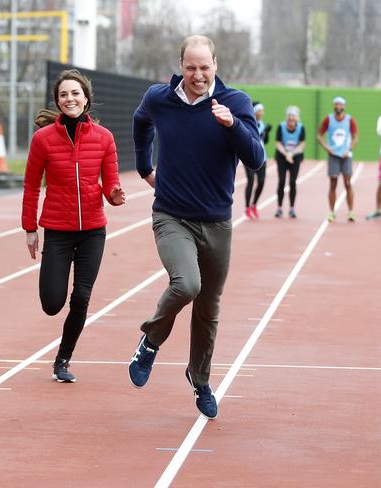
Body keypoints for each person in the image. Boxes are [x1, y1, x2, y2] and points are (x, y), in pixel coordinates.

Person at [128, 35, 264, 419]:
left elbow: (255, 158)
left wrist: (232, 125)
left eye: (205, 67)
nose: (198, 75)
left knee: (208, 305)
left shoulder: (234, 102)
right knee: (187, 284)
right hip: (171, 215)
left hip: (217, 222)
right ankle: (150, 341)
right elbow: (141, 122)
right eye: (191, 67)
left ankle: (199, 378)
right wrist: (144, 166)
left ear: (216, 65)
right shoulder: (161, 98)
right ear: (181, 66)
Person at [21, 69, 126, 383]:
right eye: (64, 94)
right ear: (58, 100)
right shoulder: (42, 140)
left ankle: (62, 359)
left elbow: (111, 184)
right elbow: (30, 186)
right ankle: (60, 340)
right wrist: (30, 228)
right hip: (57, 229)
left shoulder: (104, 138)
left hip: (93, 229)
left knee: (81, 297)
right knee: (53, 303)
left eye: (75, 93)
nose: (70, 98)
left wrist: (116, 195)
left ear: (86, 99)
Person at [317, 96, 359, 222]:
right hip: (333, 155)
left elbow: (356, 136)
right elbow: (319, 135)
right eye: (336, 104)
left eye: (340, 105)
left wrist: (349, 148)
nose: (338, 107)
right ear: (334, 106)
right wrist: (326, 148)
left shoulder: (349, 120)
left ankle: (351, 211)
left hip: (346, 156)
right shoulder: (328, 119)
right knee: (333, 184)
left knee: (347, 183)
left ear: (344, 106)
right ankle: (331, 212)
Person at [274, 106, 305, 218]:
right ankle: (279, 207)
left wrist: (291, 154)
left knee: (292, 182)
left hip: (295, 156)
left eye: (293, 116)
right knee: (281, 181)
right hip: (282, 156)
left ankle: (292, 208)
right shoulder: (281, 126)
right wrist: (286, 154)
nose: (291, 118)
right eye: (289, 116)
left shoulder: (301, 128)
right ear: (287, 117)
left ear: (297, 118)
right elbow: (277, 143)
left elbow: (302, 144)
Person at [244, 102, 270, 219]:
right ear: (254, 111)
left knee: (261, 182)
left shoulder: (262, 124)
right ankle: (247, 207)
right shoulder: (248, 122)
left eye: (262, 111)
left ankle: (254, 204)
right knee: (250, 181)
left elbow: (264, 141)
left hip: (262, 156)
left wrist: (267, 133)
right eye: (260, 110)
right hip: (249, 155)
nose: (262, 113)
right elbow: (250, 136)